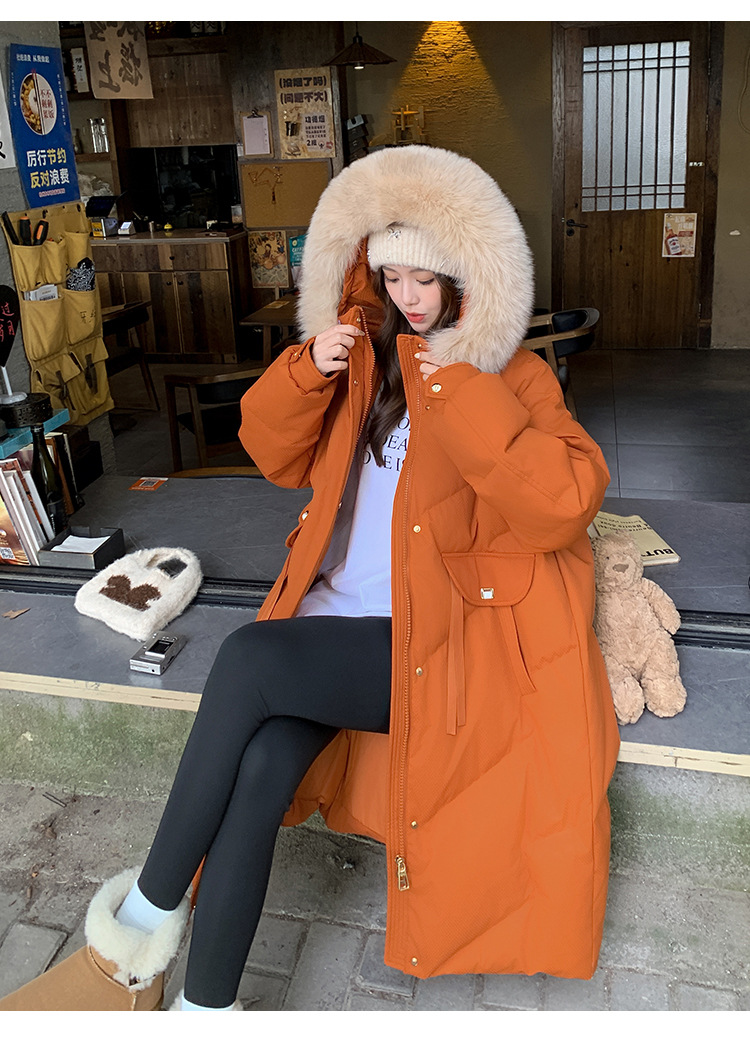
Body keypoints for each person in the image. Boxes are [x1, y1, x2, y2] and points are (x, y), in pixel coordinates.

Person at [0, 145, 620, 1012]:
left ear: (468, 277)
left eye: (427, 279)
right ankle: (206, 1009)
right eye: (392, 276)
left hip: (433, 641)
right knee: (260, 769)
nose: (409, 296)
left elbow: (566, 502)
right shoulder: (368, 359)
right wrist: (308, 369)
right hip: (335, 619)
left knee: (248, 659)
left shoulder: (511, 372)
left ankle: (142, 916)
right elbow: (273, 454)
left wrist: (465, 388)